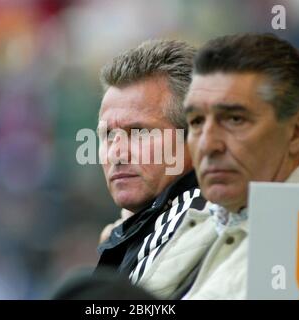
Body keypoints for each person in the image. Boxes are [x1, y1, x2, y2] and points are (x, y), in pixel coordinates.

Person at [137, 33, 299, 299]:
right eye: (197, 121)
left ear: (298, 131)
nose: (208, 145)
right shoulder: (212, 217)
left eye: (235, 119)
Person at [95, 39, 206, 284]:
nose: (117, 154)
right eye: (108, 135)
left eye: (139, 133)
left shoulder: (201, 218)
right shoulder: (142, 227)